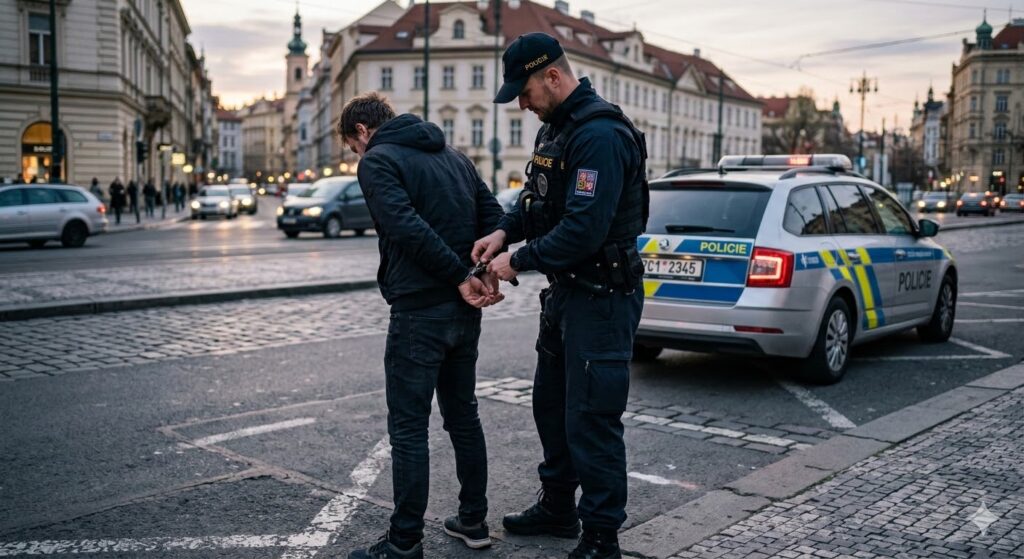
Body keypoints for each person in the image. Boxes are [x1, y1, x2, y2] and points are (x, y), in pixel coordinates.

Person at [473, 32, 649, 559]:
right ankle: (556, 508)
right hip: (568, 296)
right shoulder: (557, 130)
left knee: (592, 418)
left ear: (553, 76)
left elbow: (584, 228)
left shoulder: (599, 134)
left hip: (603, 297)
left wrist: (518, 261)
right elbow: (535, 203)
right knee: (552, 407)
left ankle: (600, 537)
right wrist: (505, 231)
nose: (521, 104)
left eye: (524, 92)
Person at [339, 92, 506, 559]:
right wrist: (481, 270)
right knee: (463, 417)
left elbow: (404, 227)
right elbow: (494, 218)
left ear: (361, 132)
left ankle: (404, 540)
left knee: (410, 428)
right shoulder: (455, 157)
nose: (358, 155)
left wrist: (458, 277)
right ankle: (473, 520)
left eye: (354, 147)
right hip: (464, 310)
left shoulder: (378, 160)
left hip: (418, 310)